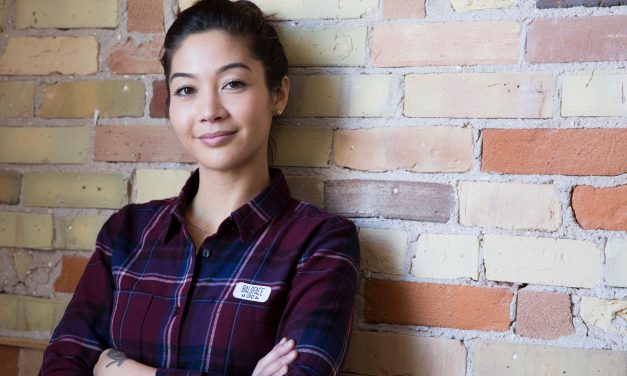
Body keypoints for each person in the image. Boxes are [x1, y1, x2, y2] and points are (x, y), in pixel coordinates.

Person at [38, 0, 360, 375]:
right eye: (187, 90)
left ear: (279, 94)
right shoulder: (126, 234)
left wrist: (119, 369)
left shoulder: (320, 243)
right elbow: (61, 365)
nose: (209, 110)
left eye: (233, 83)